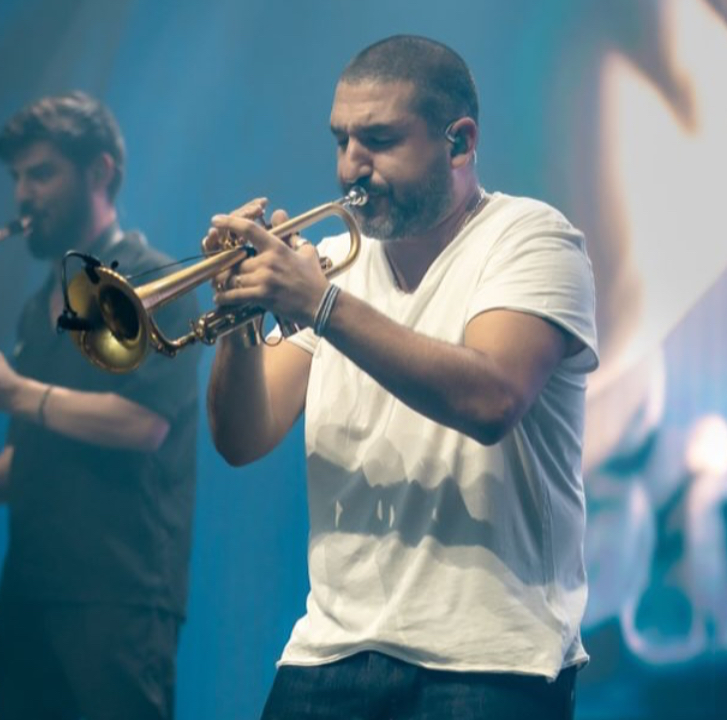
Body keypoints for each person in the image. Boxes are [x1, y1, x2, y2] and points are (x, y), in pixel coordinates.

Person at [206, 35, 598, 719]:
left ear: (459, 141)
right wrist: (239, 315)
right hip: (328, 651)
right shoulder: (329, 263)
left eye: (380, 140)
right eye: (341, 141)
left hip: (491, 659)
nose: (350, 168)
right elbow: (243, 437)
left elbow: (491, 398)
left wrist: (318, 305)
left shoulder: (533, 239)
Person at [0, 91, 198, 720]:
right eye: (17, 177)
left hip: (119, 592)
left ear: (100, 171)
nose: (23, 194)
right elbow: (35, 451)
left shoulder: (149, 280)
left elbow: (144, 426)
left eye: (42, 173)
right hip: (31, 592)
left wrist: (12, 392)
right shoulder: (41, 305)